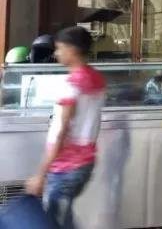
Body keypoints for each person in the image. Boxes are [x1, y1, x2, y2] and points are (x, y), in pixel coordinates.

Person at [26, 26, 106, 229]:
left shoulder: (72, 84)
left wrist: (41, 174)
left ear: (72, 49)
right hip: (85, 162)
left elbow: (62, 132)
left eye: (60, 48)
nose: (56, 53)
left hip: (66, 165)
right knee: (62, 217)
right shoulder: (96, 78)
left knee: (56, 221)